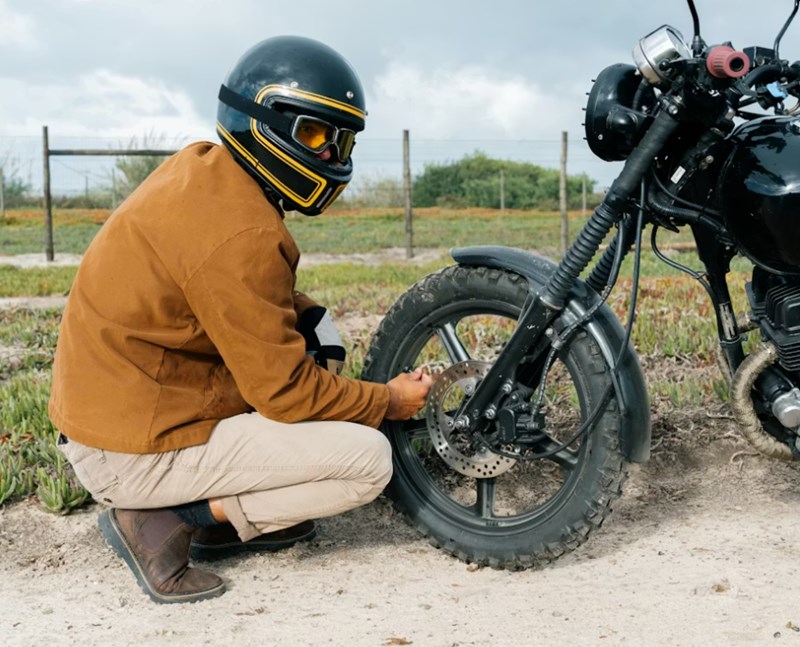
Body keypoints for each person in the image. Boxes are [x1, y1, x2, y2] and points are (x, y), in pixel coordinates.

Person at [48, 35, 432, 605]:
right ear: (262, 121)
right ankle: (172, 519)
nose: (331, 156)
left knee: (317, 347)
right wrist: (388, 401)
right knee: (366, 461)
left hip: (122, 416)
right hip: (129, 455)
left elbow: (225, 288)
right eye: (314, 135)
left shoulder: (205, 170)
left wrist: (311, 319)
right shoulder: (244, 231)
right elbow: (286, 394)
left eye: (341, 139)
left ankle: (219, 513)